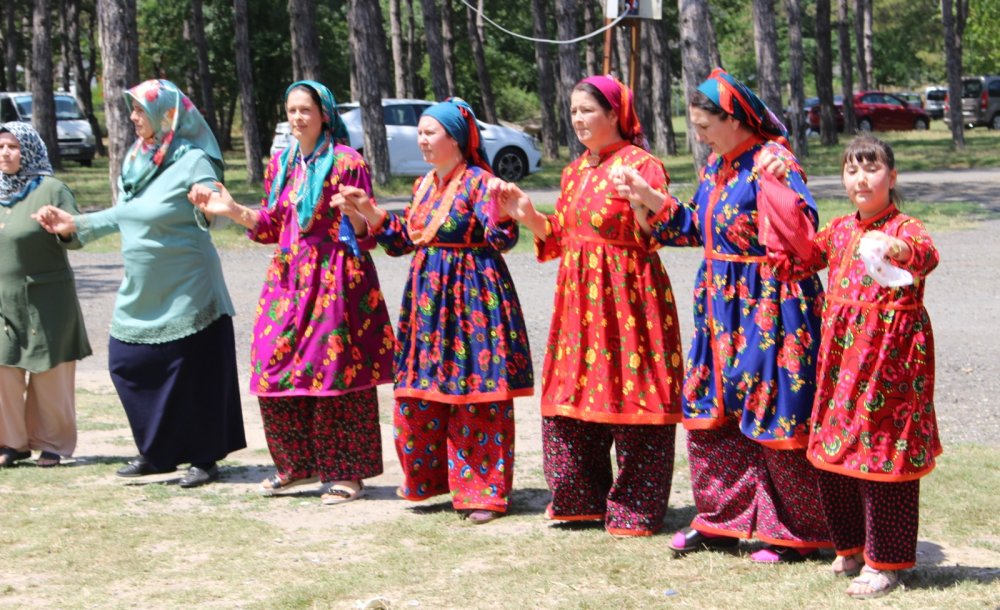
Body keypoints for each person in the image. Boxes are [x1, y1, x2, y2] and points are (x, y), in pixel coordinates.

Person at [613, 68, 831, 557]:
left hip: (772, 304)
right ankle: (721, 519)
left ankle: (795, 531)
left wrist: (782, 190)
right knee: (713, 407)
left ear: (735, 120)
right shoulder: (718, 165)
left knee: (775, 409)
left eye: (705, 126)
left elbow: (806, 229)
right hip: (719, 303)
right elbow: (697, 227)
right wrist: (650, 199)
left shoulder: (774, 162)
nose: (699, 134)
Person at [488, 75, 683, 536]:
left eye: (587, 110)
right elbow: (561, 236)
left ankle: (635, 507)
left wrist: (640, 199)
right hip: (579, 304)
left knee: (635, 394)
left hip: (630, 299)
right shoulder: (575, 171)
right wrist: (528, 215)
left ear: (614, 113)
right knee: (573, 395)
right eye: (573, 111)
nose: (578, 119)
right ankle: (580, 499)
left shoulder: (643, 166)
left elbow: (659, 232)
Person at [187, 81, 394, 505]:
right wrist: (232, 211)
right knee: (271, 365)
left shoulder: (346, 162)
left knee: (337, 375)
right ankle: (297, 464)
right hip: (287, 279)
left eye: (305, 110)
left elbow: (363, 232)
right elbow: (271, 224)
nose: (297, 118)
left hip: (336, 277)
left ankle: (347, 472)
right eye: (291, 110)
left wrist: (357, 215)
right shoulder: (281, 163)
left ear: (324, 114)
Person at [33, 79, 245, 488]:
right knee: (127, 362)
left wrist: (208, 207)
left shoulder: (193, 158)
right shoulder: (137, 157)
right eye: (131, 110)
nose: (131, 118)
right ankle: (157, 452)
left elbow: (216, 210)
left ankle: (203, 458)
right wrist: (74, 224)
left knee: (193, 373)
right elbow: (125, 212)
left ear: (168, 114)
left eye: (138, 111)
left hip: (189, 285)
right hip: (142, 287)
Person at [335, 98, 533, 524]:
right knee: (423, 388)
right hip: (428, 299)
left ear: (456, 139)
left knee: (476, 392)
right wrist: (368, 211)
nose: (422, 140)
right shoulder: (425, 185)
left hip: (473, 297)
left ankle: (483, 491)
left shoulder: (481, 182)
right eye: (421, 133)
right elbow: (404, 239)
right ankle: (434, 480)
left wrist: (506, 214)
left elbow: (500, 237)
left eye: (430, 133)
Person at [762, 135, 940, 598]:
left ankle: (887, 563)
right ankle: (853, 547)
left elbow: (925, 256)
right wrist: (780, 192)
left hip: (890, 364)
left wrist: (895, 249)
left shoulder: (905, 227)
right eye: (852, 170)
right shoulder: (840, 230)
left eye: (872, 168)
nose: (861, 179)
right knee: (835, 453)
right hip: (841, 363)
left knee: (883, 457)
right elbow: (801, 255)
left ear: (892, 177)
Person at [0, 122, 90, 468]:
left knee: (49, 374)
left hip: (48, 297)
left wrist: (62, 229)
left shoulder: (52, 189)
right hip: (4, 299)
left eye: (14, 146)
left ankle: (53, 443)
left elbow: (77, 236)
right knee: (4, 370)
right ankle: (12, 442)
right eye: (2, 147)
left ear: (29, 149)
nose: (6, 153)